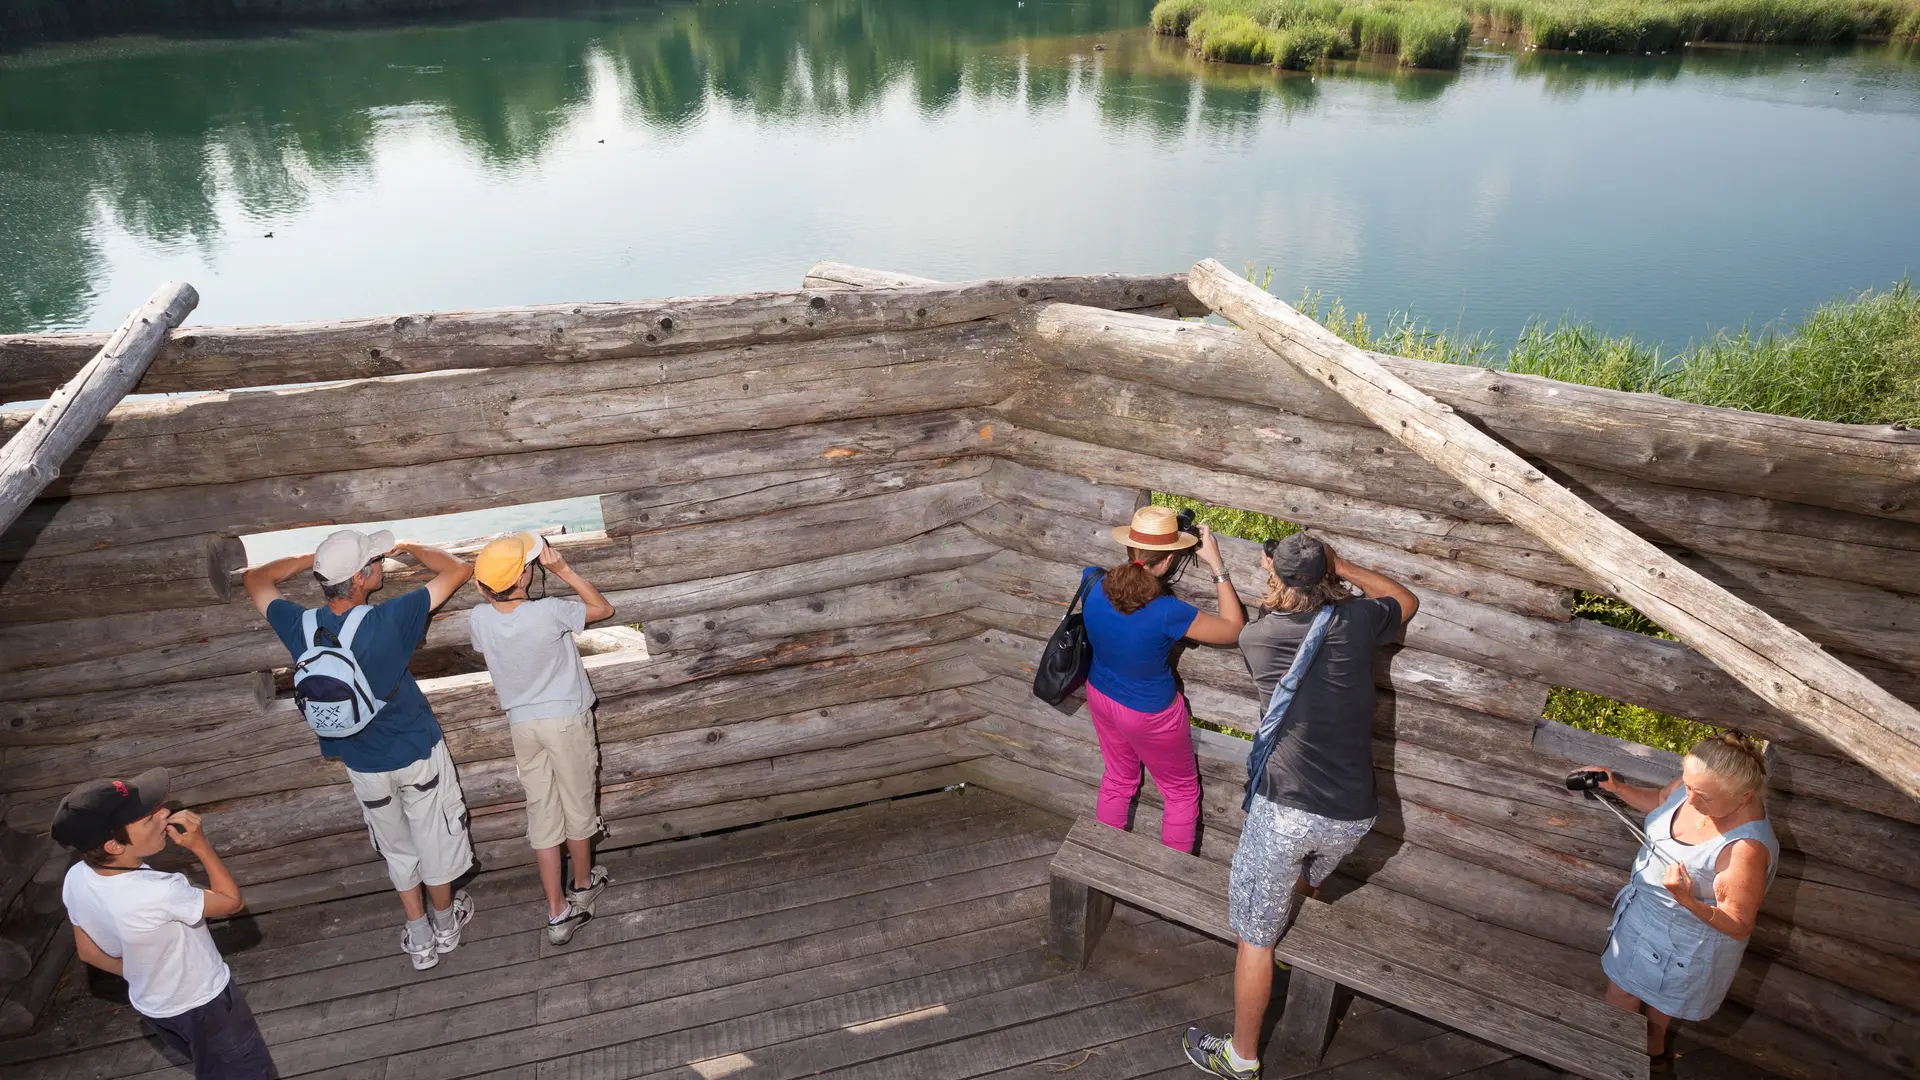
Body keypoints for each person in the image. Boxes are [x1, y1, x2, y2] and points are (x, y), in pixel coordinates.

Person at [1185, 534, 1417, 1080]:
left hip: (1285, 811)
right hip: (1354, 811)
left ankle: (1240, 1057)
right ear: (1327, 572)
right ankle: (1286, 946)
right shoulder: (1359, 620)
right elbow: (1405, 601)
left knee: (1255, 937)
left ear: (1272, 570)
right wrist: (1346, 566)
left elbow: (1268, 623)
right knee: (1302, 886)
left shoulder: (1259, 638)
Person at [242, 528, 477, 971]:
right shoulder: (390, 617)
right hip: (414, 748)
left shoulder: (301, 625)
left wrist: (315, 559)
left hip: (359, 758)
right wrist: (413, 547)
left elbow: (255, 579)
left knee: (396, 846)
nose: (381, 566)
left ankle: (420, 936)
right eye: (377, 562)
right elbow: (458, 569)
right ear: (363, 577)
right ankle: (446, 925)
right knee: (434, 838)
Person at [54, 768, 277, 1078]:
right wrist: (200, 845)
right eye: (148, 818)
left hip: (156, 1008)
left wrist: (143, 972)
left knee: (212, 1066)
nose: (164, 815)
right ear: (114, 846)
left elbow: (88, 953)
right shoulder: (161, 890)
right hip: (207, 1006)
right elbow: (231, 901)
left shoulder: (76, 878)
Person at [1582, 733, 1777, 1073]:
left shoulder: (1744, 848)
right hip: (1644, 915)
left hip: (1687, 940)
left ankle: (1641, 1062)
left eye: (1702, 797)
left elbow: (1739, 923)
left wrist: (1689, 901)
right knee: (1622, 995)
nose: (1689, 798)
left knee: (1654, 1008)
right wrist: (1619, 789)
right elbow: (1661, 798)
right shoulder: (1699, 784)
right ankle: (1630, 1059)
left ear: (1744, 796)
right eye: (1687, 785)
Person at [468, 532, 616, 944]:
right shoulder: (550, 612)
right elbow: (602, 608)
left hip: (523, 726)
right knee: (578, 804)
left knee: (543, 813)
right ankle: (583, 887)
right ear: (528, 574)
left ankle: (557, 912)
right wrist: (563, 569)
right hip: (565, 719)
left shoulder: (479, 619)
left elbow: (495, 628)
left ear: (480, 586)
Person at [1081, 505, 1246, 853]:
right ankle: (1172, 878)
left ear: (1129, 548)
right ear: (1170, 560)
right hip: (1149, 713)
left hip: (1100, 695)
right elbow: (1234, 628)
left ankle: (1101, 861)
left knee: (1117, 779)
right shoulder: (1168, 611)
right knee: (1180, 792)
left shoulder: (1094, 583)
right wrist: (1216, 564)